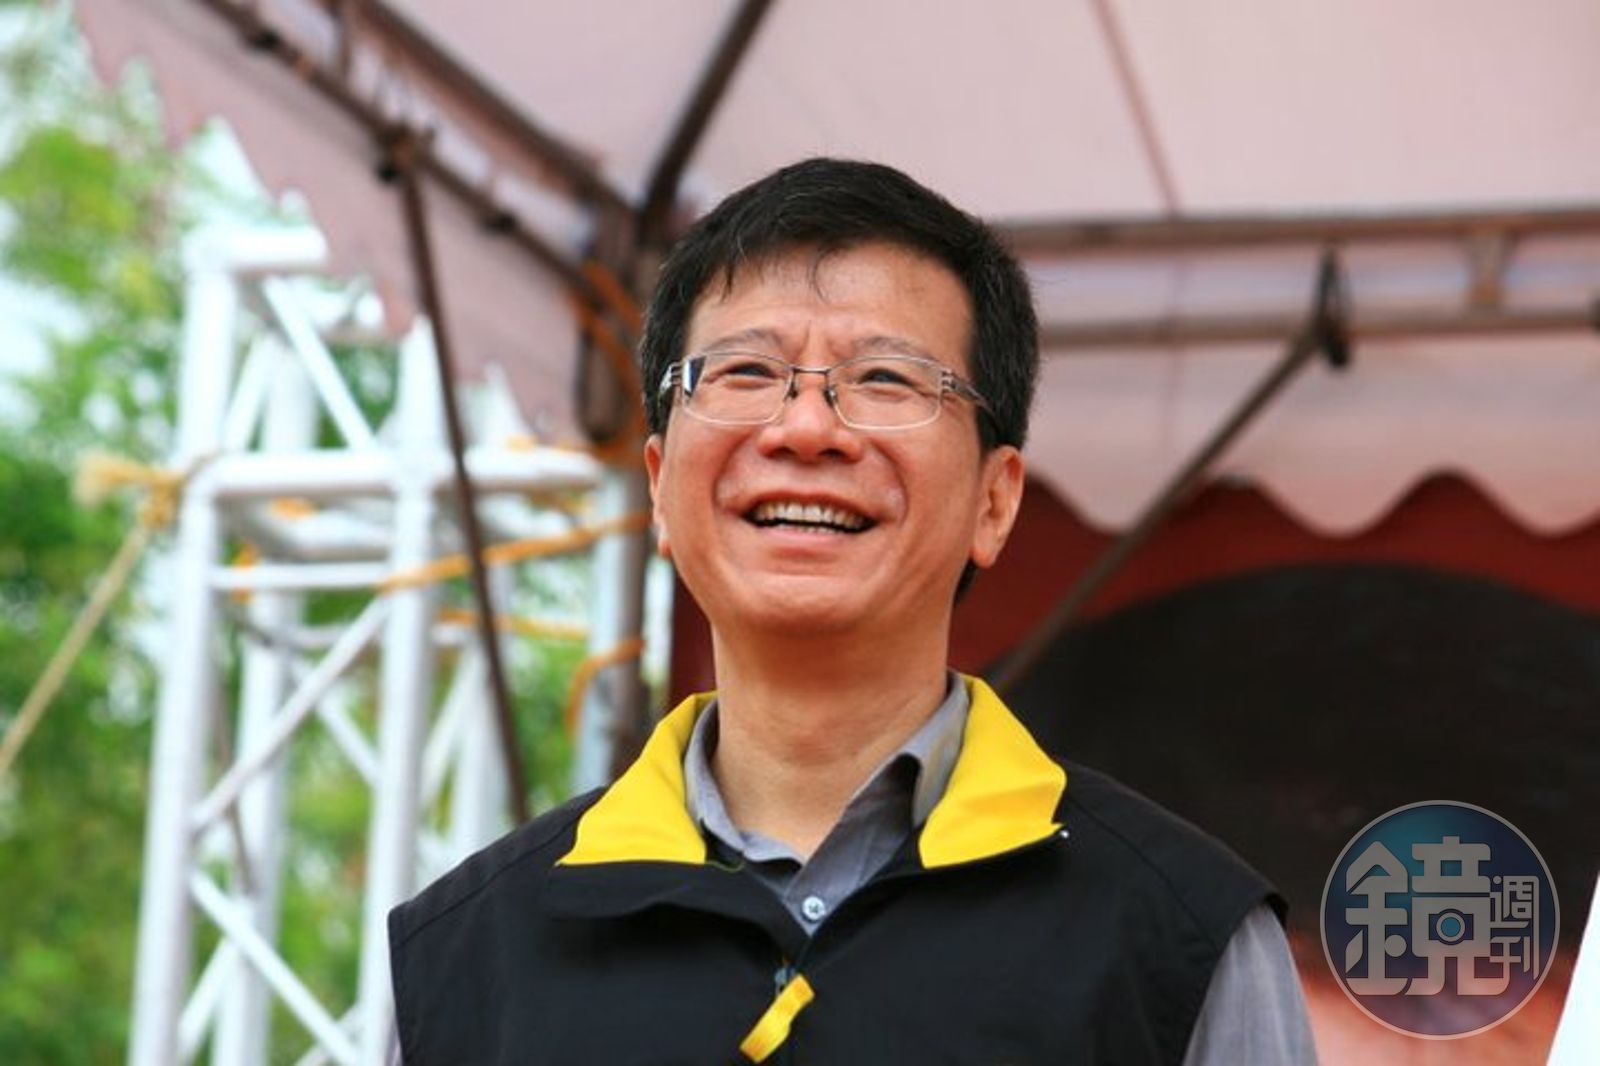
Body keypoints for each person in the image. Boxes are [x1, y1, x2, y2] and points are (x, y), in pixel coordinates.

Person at [388, 158, 1318, 1064]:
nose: (805, 429)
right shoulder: (466, 959)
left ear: (995, 502)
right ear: (661, 486)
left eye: (885, 380)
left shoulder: (1183, 938)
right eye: (746, 372)